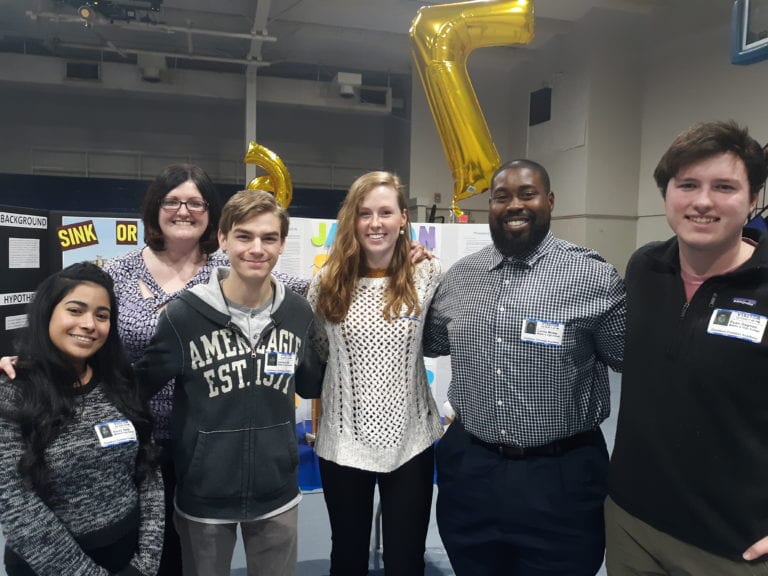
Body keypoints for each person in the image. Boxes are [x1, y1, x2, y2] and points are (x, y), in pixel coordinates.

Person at [423, 159, 626, 576]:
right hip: (471, 471)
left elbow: (628, 359)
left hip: (561, 479)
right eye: (502, 197)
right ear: (491, 207)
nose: (514, 204)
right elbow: (431, 341)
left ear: (549, 201)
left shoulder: (593, 277)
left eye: (527, 194)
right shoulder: (461, 278)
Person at [133, 189, 323, 576]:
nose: (257, 248)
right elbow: (136, 389)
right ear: (222, 239)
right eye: (244, 236)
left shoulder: (297, 312)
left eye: (269, 238)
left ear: (282, 244)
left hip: (277, 493)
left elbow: (312, 384)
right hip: (205, 496)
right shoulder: (184, 315)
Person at [606, 121, 768, 574]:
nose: (702, 201)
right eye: (688, 184)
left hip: (731, 544)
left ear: (752, 198)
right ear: (667, 195)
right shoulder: (645, 268)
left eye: (724, 186)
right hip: (630, 524)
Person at [306, 171, 443, 576]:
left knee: (406, 559)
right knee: (347, 557)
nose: (375, 223)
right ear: (352, 221)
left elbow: (437, 338)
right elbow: (318, 351)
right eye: (364, 213)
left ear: (403, 218)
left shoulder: (427, 273)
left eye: (385, 212)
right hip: (343, 442)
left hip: (411, 442)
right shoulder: (326, 283)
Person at [0, 262, 163, 575]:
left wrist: (145, 563)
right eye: (75, 310)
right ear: (47, 312)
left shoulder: (119, 382)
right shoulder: (13, 391)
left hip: (127, 558)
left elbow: (149, 470)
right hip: (48, 566)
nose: (89, 324)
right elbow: (16, 504)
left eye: (102, 315)